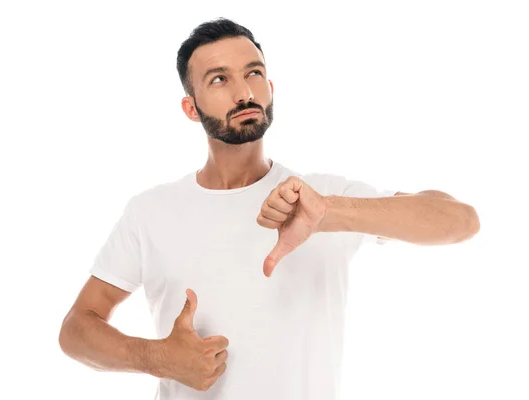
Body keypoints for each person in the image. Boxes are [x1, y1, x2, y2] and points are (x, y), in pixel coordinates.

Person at [58, 17, 480, 400]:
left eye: (254, 73)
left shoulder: (324, 195)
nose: (244, 92)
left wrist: (330, 213)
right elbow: (77, 328)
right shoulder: (150, 212)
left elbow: (461, 221)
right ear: (191, 107)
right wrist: (156, 358)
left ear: (270, 88)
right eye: (219, 79)